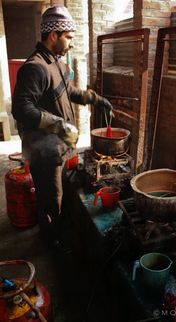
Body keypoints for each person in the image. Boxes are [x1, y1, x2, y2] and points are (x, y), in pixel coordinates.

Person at [12, 5, 113, 253]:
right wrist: (58, 124)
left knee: (58, 193)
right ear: (53, 35)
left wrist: (94, 98)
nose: (71, 43)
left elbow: (69, 92)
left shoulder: (56, 63)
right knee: (50, 199)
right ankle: (51, 242)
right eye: (68, 37)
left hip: (56, 147)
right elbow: (21, 108)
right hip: (43, 152)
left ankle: (56, 228)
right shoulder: (35, 67)